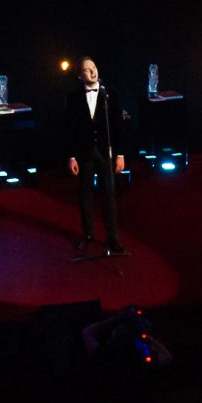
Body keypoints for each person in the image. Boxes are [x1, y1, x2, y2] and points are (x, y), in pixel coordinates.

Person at [64, 56, 128, 256]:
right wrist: (71, 156)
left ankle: (112, 238)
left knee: (108, 194)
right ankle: (88, 235)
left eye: (93, 67)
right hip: (85, 152)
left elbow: (118, 127)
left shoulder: (111, 95)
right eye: (86, 69)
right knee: (85, 194)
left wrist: (120, 154)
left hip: (105, 151)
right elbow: (70, 128)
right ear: (79, 75)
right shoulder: (73, 97)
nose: (91, 71)